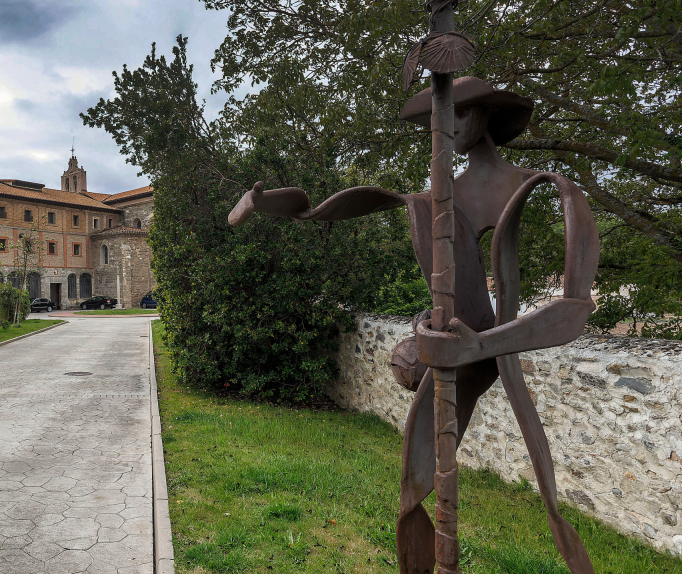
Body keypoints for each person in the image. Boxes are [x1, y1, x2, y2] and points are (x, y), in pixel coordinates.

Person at [228, 76, 598, 574]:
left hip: (482, 355)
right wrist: (282, 208)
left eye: (459, 113)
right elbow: (337, 207)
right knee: (412, 494)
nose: (446, 129)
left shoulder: (552, 188)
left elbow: (575, 310)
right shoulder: (433, 202)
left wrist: (478, 345)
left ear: (487, 114)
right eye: (436, 121)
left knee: (550, 501)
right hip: (454, 359)